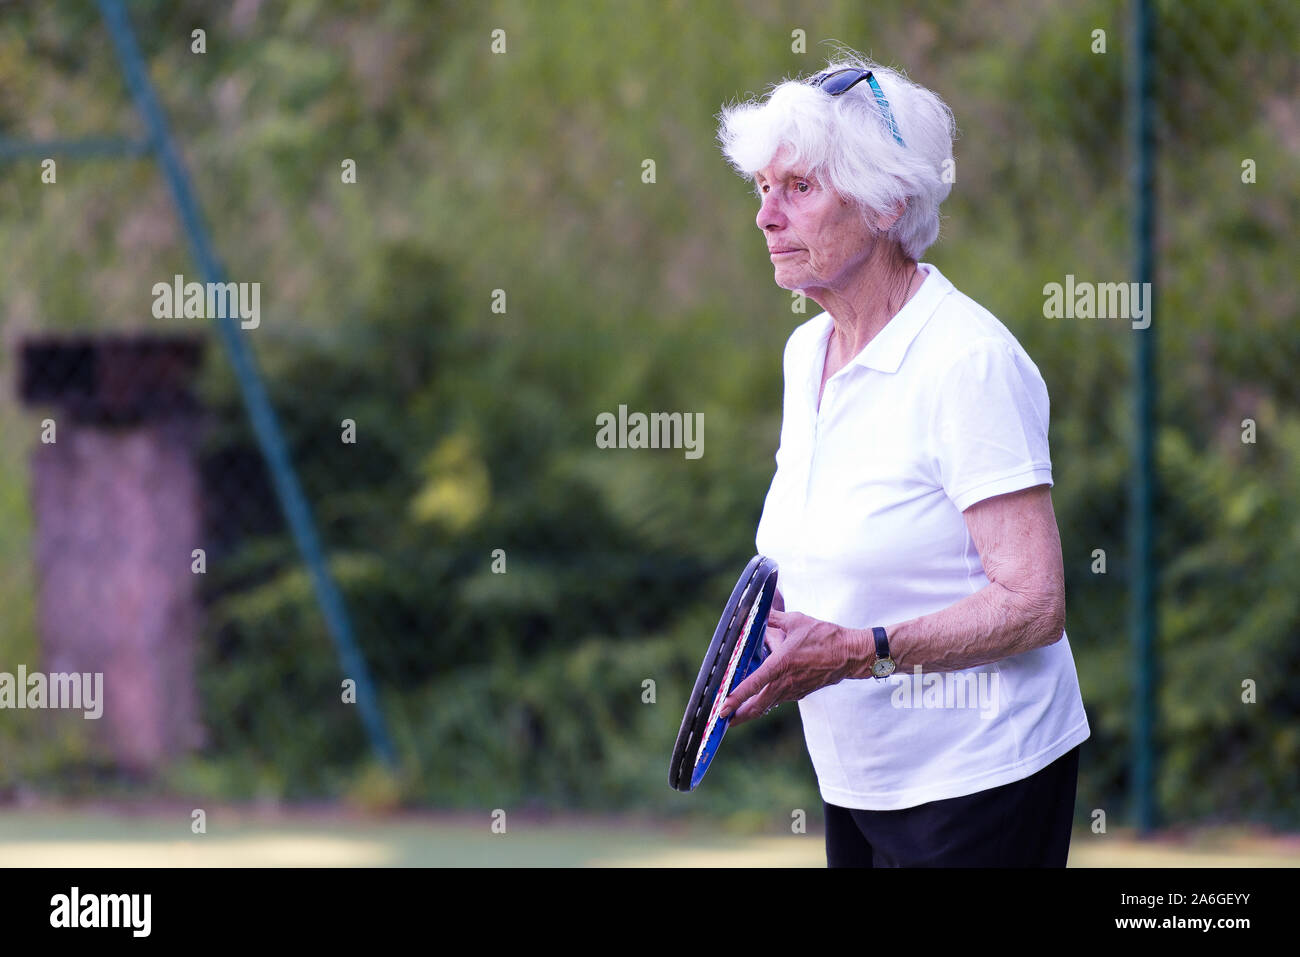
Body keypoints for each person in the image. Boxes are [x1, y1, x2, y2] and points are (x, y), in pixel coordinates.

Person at [716, 50, 1090, 867]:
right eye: (763, 189)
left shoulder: (968, 362)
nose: (766, 216)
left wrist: (859, 650)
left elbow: (1033, 603)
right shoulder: (803, 351)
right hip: (858, 782)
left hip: (982, 782)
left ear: (887, 202)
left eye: (799, 189)